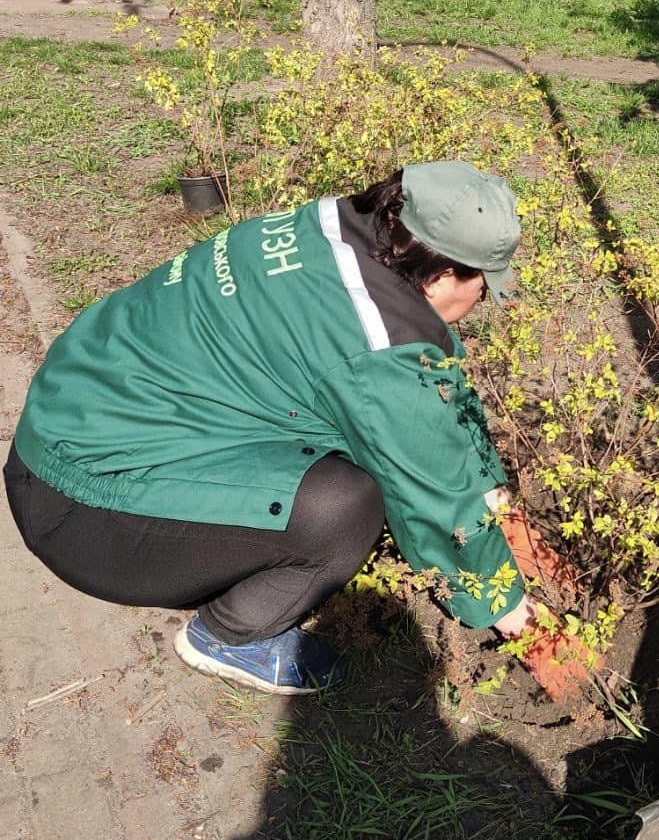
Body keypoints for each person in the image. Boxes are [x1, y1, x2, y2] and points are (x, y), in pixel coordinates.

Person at [5, 162, 589, 700]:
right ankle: (231, 636)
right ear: (439, 274)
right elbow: (430, 487)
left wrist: (505, 515)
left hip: (70, 421)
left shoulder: (340, 229)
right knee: (344, 506)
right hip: (83, 508)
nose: (484, 297)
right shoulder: (377, 344)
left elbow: (436, 397)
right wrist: (522, 622)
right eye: (482, 284)